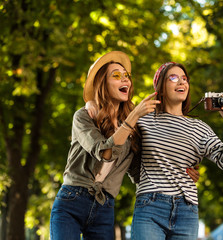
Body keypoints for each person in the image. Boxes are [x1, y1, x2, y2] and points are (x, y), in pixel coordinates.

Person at [50, 51, 161, 240]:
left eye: (126, 76)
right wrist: (133, 118)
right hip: (72, 199)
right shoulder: (84, 117)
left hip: (105, 206)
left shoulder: (135, 130)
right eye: (116, 76)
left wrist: (180, 170)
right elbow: (104, 152)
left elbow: (140, 172)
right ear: (103, 83)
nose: (124, 79)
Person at [130, 62, 223, 240]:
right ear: (161, 87)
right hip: (150, 206)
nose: (181, 82)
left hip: (186, 210)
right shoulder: (143, 121)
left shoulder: (198, 128)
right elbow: (122, 155)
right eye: (173, 78)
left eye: (184, 79)